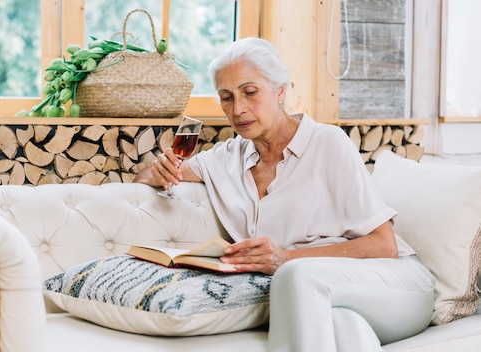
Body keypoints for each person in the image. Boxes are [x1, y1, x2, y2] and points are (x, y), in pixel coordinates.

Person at [134, 37, 435, 352]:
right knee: (346, 330)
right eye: (226, 97)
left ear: (280, 90)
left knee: (295, 276)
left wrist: (284, 258)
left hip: (395, 287)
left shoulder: (327, 143)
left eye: (250, 92)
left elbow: (384, 245)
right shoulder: (227, 157)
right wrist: (159, 171)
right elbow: (149, 178)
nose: (238, 109)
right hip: (327, 301)